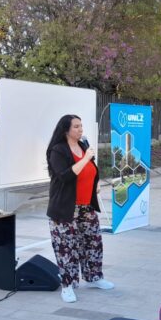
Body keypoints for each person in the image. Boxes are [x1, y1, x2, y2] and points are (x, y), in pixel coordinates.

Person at [46, 114, 112, 303]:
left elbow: (91, 171)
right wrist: (86, 159)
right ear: (66, 129)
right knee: (67, 247)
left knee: (93, 242)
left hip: (86, 206)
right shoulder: (57, 150)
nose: (81, 130)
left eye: (81, 126)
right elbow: (66, 176)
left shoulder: (83, 146)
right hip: (65, 208)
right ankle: (67, 286)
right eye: (76, 126)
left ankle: (94, 277)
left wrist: (95, 184)